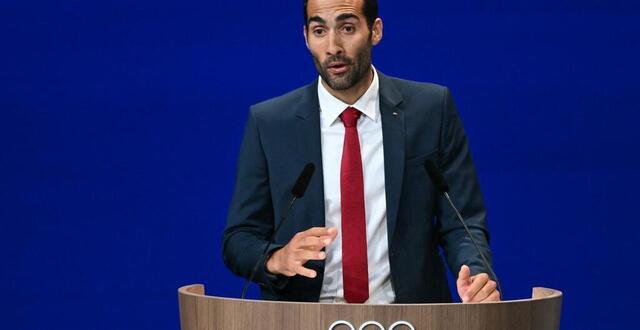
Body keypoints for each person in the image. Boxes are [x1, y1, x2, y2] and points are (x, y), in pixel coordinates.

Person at [222, 0, 500, 304]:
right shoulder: (270, 124)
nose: (333, 46)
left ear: (375, 31)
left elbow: (463, 222)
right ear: (305, 37)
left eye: (347, 28)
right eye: (319, 30)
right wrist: (275, 259)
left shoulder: (431, 110)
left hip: (408, 316)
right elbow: (239, 238)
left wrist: (476, 276)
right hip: (303, 317)